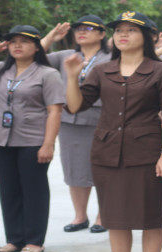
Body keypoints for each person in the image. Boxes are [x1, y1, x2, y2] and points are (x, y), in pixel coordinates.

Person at [63, 11, 162, 252]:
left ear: (147, 37)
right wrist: (73, 77)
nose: (122, 35)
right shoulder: (102, 70)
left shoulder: (161, 70)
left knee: (150, 216)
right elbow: (77, 105)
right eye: (118, 31)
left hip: (147, 153)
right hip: (106, 152)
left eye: (131, 30)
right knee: (114, 217)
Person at [0, 25, 64, 252]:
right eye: (12, 42)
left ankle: (34, 239)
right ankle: (14, 238)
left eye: (24, 41)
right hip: (1, 139)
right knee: (8, 190)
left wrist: (48, 144)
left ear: (36, 46)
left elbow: (55, 111)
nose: (17, 46)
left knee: (34, 190)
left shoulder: (47, 73)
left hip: (33, 139)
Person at [41, 15, 112, 233]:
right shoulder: (66, 55)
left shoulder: (110, 58)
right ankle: (80, 216)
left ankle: (103, 216)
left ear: (102, 34)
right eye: (79, 29)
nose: (82, 32)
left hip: (100, 119)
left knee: (103, 169)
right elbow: (35, 55)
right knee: (74, 169)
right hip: (70, 120)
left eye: (89, 29)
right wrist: (51, 37)